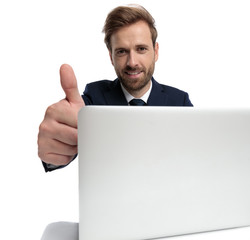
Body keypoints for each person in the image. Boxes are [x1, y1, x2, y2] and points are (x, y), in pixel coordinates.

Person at [37, 5, 193, 172]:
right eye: (121, 51)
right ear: (111, 57)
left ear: (155, 51)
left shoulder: (179, 101)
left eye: (141, 49)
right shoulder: (94, 99)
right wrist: (55, 150)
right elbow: (71, 127)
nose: (132, 62)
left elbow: (197, 157)